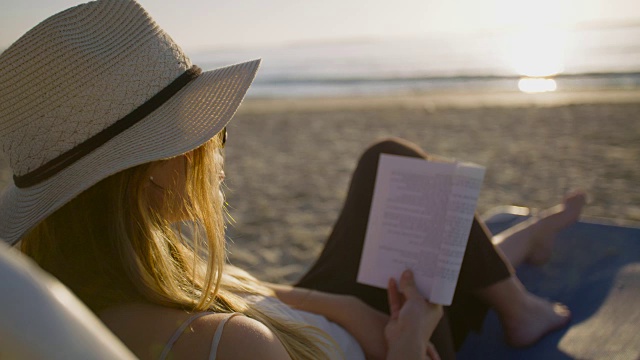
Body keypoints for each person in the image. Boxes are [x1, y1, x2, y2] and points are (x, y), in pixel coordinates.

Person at [0, 0, 586, 359]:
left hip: (316, 321)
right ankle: (519, 300)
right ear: (151, 171)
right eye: (206, 136)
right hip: (363, 347)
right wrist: (407, 343)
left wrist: (345, 309)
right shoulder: (233, 347)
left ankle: (518, 254)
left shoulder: (75, 286)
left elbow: (234, 285)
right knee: (425, 257)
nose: (217, 150)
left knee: (389, 160)